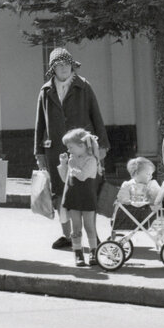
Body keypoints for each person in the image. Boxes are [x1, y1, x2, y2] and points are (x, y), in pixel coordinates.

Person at [34, 48, 110, 250]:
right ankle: (67, 235)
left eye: (67, 64)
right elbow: (40, 123)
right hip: (55, 150)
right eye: (59, 65)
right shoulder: (45, 90)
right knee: (60, 193)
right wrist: (39, 153)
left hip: (83, 149)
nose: (64, 68)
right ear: (53, 68)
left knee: (87, 192)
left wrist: (102, 145)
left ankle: (93, 236)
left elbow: (96, 115)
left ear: (72, 66)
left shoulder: (83, 86)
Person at [57, 128, 101, 267]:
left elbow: (82, 177)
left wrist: (72, 166)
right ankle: (78, 253)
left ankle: (93, 252)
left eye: (70, 147)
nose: (69, 151)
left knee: (89, 226)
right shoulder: (72, 159)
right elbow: (65, 179)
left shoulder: (91, 160)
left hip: (87, 196)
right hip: (73, 196)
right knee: (76, 227)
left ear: (81, 146)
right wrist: (63, 164)